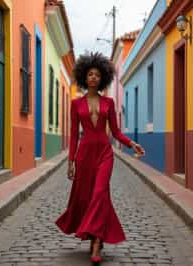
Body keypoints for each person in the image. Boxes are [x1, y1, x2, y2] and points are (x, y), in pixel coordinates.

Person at [55, 52, 145, 263]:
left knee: (99, 193)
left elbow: (115, 132)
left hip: (105, 153)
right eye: (90, 74)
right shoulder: (76, 104)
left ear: (102, 77)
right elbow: (74, 137)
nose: (94, 77)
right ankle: (95, 236)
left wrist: (132, 144)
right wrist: (71, 162)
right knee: (86, 197)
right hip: (84, 155)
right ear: (84, 78)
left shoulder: (109, 102)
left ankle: (96, 244)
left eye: (97, 74)